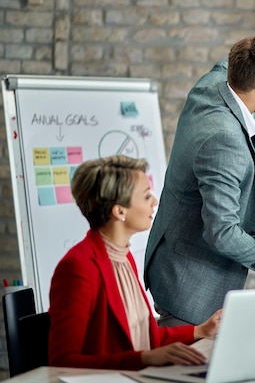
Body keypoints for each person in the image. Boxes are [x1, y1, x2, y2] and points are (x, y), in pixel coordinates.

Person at [144, 1, 255, 327]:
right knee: (182, 374)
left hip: (171, 256)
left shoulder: (209, 87)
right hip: (188, 284)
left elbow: (229, 63)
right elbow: (221, 232)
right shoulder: (225, 142)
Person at [48, 155, 222, 370]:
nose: (155, 201)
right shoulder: (78, 268)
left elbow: (141, 335)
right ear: (119, 211)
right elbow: (62, 362)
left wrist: (201, 330)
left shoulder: (123, 256)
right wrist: (145, 358)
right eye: (146, 195)